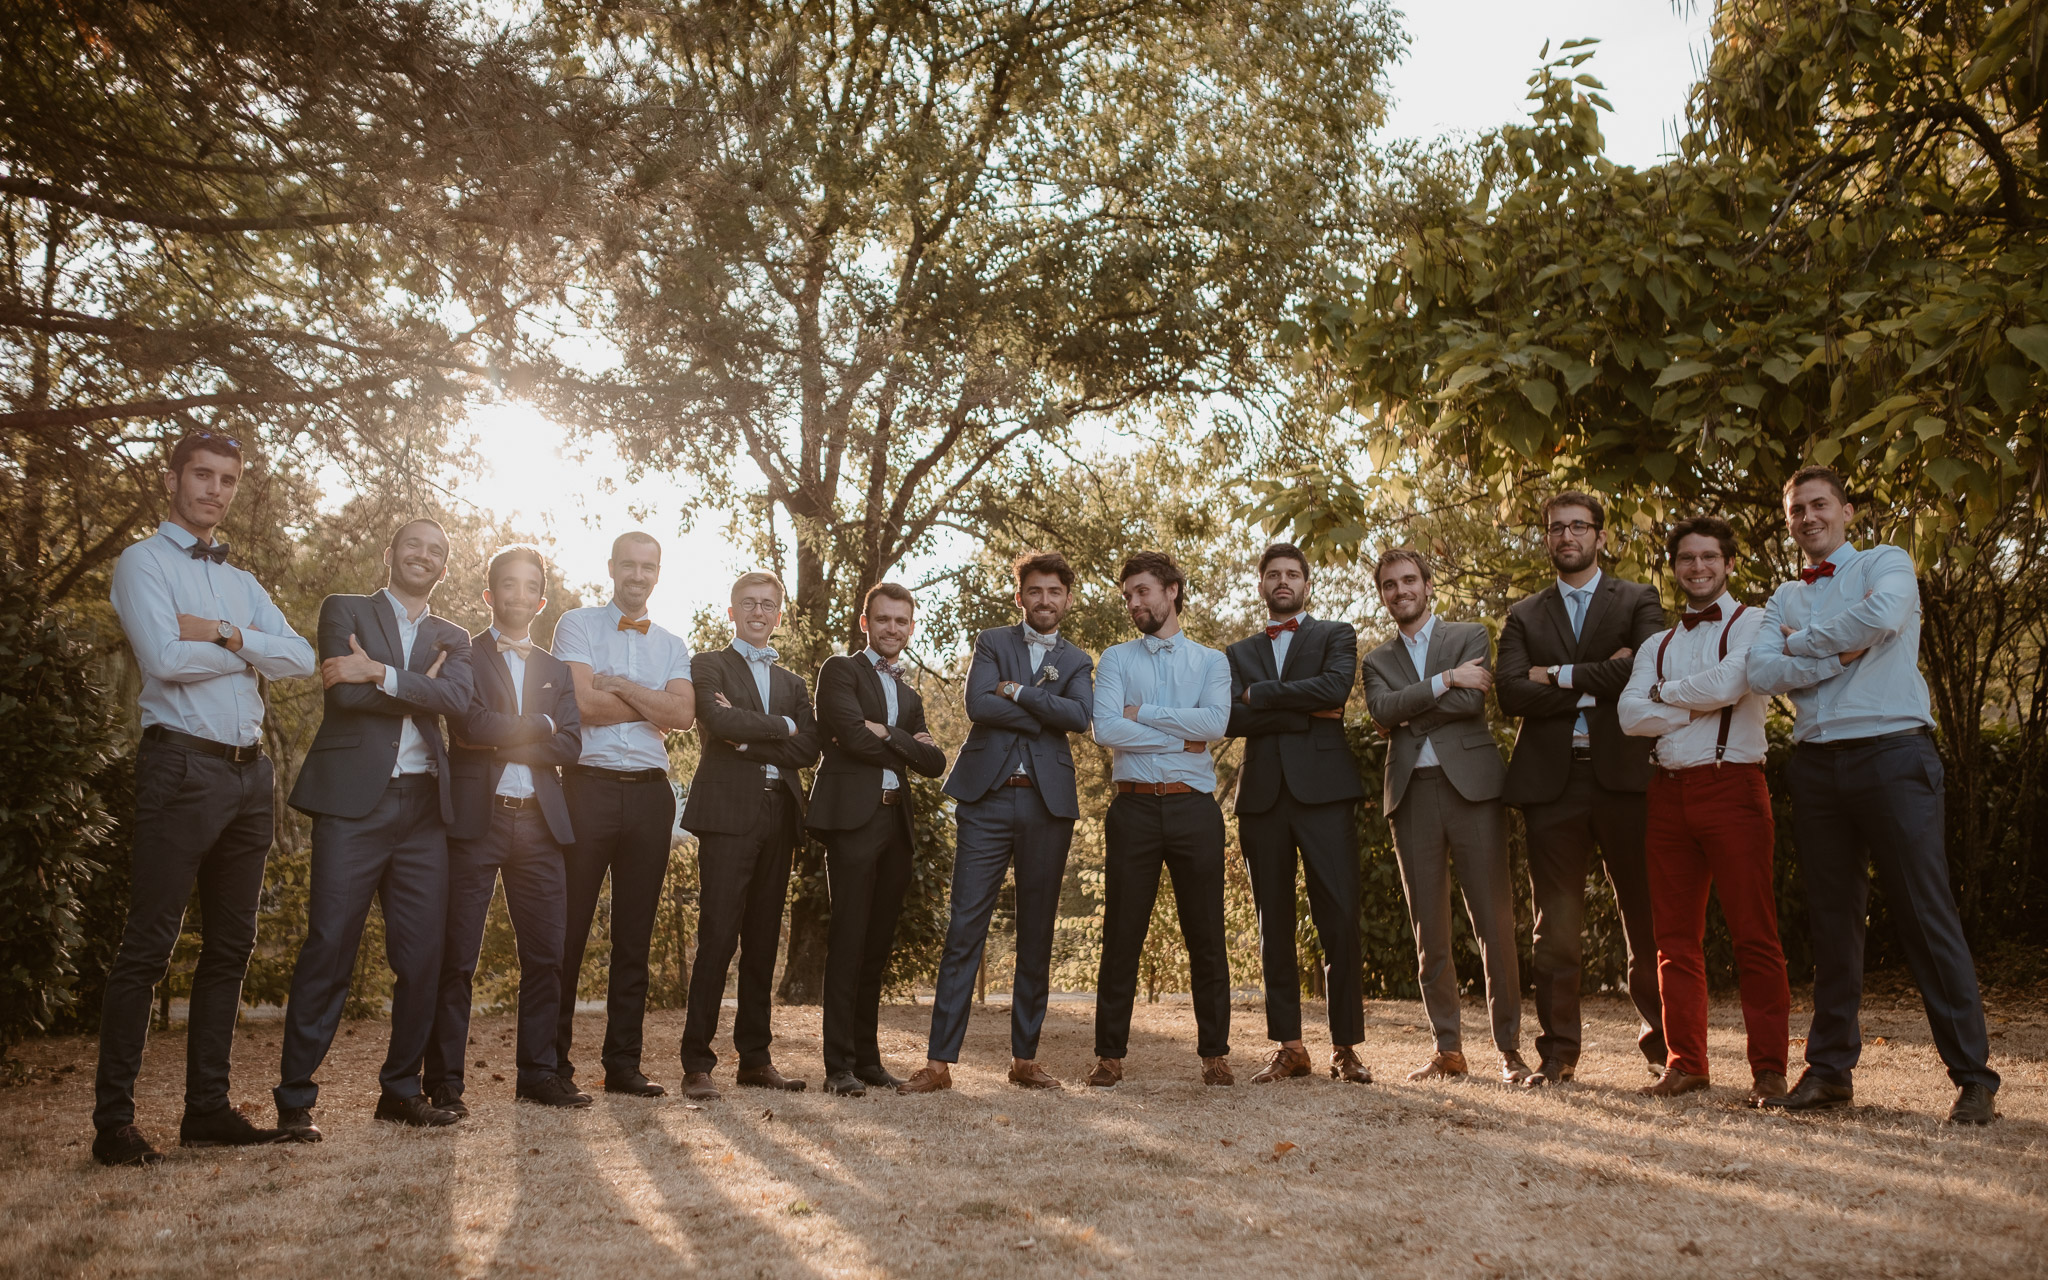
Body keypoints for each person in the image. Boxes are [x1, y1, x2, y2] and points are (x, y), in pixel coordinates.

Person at [1749, 467, 1998, 1125]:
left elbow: (1883, 615)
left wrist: (1801, 648)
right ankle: (1830, 1073)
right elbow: (1760, 669)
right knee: (1832, 923)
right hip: (1816, 766)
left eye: (1819, 504)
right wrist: (1837, 653)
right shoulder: (1783, 594)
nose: (1807, 517)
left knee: (1924, 912)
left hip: (1893, 754)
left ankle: (1974, 1079)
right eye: (1796, 508)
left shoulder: (1886, 562)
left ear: (1847, 511)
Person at [94, 433, 316, 1166]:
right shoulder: (142, 563)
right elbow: (161, 657)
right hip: (180, 770)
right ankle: (114, 1122)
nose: (215, 490)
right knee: (148, 947)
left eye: (227, 479)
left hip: (251, 778)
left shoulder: (242, 582)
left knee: (229, 948)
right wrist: (246, 647)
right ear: (173, 480)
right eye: (202, 475)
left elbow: (300, 658)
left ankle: (207, 1110)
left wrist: (220, 632)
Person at [277, 518, 476, 1137]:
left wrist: (379, 674)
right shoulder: (346, 608)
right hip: (351, 806)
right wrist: (421, 687)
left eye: (437, 550)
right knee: (329, 947)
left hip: (423, 813)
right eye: (414, 544)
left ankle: (399, 1090)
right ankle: (294, 1100)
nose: (425, 555)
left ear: (444, 567)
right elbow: (343, 696)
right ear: (390, 552)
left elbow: (459, 703)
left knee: (422, 958)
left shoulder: (455, 635)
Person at [899, 552, 1095, 1096]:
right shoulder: (992, 641)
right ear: (1020, 597)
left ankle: (1025, 1060)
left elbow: (1080, 718)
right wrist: (1041, 707)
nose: (1046, 600)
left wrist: (1018, 692)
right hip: (984, 801)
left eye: (1055, 591)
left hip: (1046, 805)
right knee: (965, 929)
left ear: (1067, 599)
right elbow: (976, 705)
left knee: (1037, 932)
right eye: (1036, 591)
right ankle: (939, 1064)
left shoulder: (1078, 660)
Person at [1496, 490, 1668, 1087]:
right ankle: (1560, 1053)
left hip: (1625, 776)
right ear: (1546, 538)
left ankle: (1663, 1049)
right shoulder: (1524, 615)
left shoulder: (1638, 599)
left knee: (1644, 917)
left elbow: (1646, 668)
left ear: (1599, 534)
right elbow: (1513, 693)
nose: (1567, 536)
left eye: (1578, 526)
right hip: (1553, 783)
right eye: (1555, 528)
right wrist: (1601, 678)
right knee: (1554, 926)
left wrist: (1559, 675)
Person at [1618, 516, 1790, 1106]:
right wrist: (1694, 702)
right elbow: (1628, 717)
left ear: (1729, 563)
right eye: (1687, 558)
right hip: (1667, 794)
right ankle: (1685, 1062)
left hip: (1733, 787)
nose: (1698, 567)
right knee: (1673, 941)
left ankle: (1768, 1070)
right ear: (1674, 568)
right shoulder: (1654, 644)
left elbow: (1731, 682)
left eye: (1709, 557)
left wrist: (1666, 696)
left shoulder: (1757, 622)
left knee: (1754, 935)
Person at [424, 545, 589, 1115]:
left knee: (547, 956)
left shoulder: (556, 668)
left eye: (531, 585)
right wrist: (538, 725)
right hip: (478, 818)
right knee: (457, 956)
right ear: (490, 594)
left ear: (542, 597)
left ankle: (539, 1074)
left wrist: (511, 731)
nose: (520, 595)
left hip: (542, 823)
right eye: (508, 585)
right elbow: (467, 724)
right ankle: (444, 1083)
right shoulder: (464, 652)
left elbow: (571, 743)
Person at [1360, 548, 1527, 1084]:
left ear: (1428, 586)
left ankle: (1509, 1050)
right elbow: (1382, 711)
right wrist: (1443, 682)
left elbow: (1471, 705)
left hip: (1473, 790)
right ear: (1383, 594)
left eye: (1409, 580)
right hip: (1411, 794)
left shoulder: (1469, 635)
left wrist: (1414, 709)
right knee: (1428, 928)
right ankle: (1448, 1049)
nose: (1400, 590)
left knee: (1493, 925)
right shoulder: (1376, 660)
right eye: (1390, 584)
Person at [551, 532, 696, 1098]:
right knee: (568, 930)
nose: (638, 575)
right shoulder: (578, 624)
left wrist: (620, 685)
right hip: (585, 788)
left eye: (648, 567)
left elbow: (683, 715)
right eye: (629, 565)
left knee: (635, 935)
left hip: (650, 795)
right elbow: (581, 705)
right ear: (612, 568)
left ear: (658, 574)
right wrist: (647, 701)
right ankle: (550, 1064)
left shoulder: (672, 643)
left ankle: (623, 1066)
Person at [1223, 542, 1372, 1086]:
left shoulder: (1336, 633)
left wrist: (1263, 695)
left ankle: (1346, 1049)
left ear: (1306, 584)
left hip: (1326, 794)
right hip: (1262, 799)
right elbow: (1231, 720)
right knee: (1273, 925)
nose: (1282, 582)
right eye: (1273, 575)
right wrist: (1301, 710)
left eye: (1292, 574)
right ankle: (1289, 1047)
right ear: (1261, 584)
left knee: (1340, 920)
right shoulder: (1237, 652)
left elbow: (1336, 689)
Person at [1087, 551, 1234, 1088]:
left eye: (1142, 591)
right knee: (1122, 932)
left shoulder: (1211, 662)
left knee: (1206, 932)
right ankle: (1109, 1055)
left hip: (1195, 808)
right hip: (1134, 808)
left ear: (1172, 590)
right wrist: (1183, 735)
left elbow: (1216, 723)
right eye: (1127, 595)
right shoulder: (1116, 659)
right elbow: (1105, 730)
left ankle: (1215, 1055)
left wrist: (1143, 714)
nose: (1134, 603)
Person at [677, 571, 821, 1100]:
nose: (758, 612)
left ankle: (755, 1059)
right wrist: (780, 727)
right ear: (732, 610)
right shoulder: (708, 664)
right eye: (748, 603)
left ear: (779, 615)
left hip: (780, 813)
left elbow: (809, 749)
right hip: (727, 814)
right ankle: (697, 1063)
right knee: (718, 936)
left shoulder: (794, 684)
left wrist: (756, 736)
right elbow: (717, 721)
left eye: (768, 605)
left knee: (763, 940)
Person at [806, 584, 948, 1096]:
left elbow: (934, 763)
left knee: (876, 945)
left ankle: (867, 1058)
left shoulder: (909, 695)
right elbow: (844, 730)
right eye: (883, 620)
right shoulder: (840, 671)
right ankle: (837, 1066)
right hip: (852, 821)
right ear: (866, 623)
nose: (893, 629)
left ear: (911, 627)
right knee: (848, 940)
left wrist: (887, 734)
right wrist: (903, 744)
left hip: (896, 824)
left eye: (902, 621)